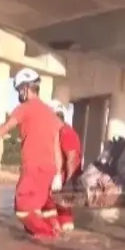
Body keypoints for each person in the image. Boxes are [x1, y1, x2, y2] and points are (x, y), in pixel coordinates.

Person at [0, 68, 63, 240]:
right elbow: (56, 146)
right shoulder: (51, 114)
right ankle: (45, 241)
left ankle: (50, 236)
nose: (19, 94)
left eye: (19, 89)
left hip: (33, 167)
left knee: (23, 208)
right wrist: (57, 174)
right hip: (49, 170)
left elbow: (5, 128)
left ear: (26, 89)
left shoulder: (24, 108)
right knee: (38, 210)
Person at [43, 99, 82, 233]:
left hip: (64, 178)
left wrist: (68, 184)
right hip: (61, 178)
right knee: (61, 209)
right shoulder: (60, 131)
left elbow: (71, 159)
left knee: (52, 207)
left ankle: (55, 233)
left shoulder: (65, 132)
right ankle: (63, 235)